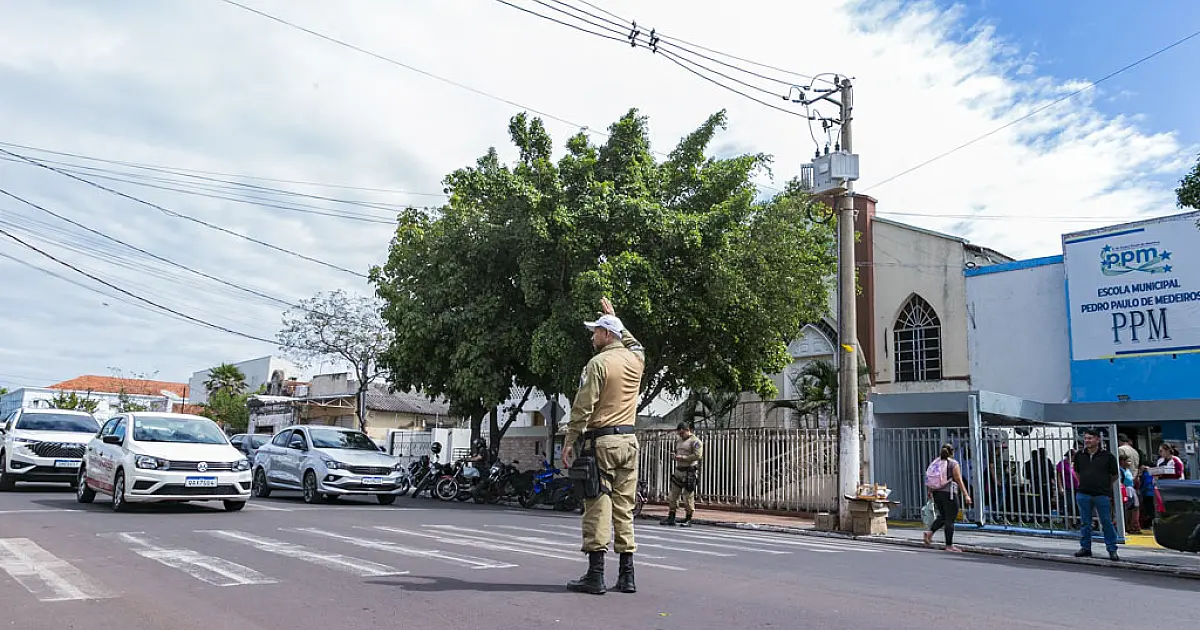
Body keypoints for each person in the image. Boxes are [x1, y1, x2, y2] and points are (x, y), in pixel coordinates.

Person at [562, 297, 645, 596]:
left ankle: (595, 575)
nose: (592, 335)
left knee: (597, 505)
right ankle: (627, 575)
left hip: (602, 442)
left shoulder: (597, 364)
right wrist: (617, 317)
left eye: (596, 331)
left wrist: (570, 439)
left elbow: (584, 407)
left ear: (607, 335)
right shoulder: (636, 360)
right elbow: (636, 345)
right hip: (629, 442)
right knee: (625, 508)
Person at [1072, 428, 1120, 561]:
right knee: (1085, 522)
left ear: (1097, 440)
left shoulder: (1107, 456)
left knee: (1106, 522)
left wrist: (1105, 485)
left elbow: (1114, 475)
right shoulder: (1080, 455)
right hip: (1084, 493)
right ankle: (1085, 548)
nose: (1087, 441)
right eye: (1086, 438)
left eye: (1090, 438)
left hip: (1101, 494)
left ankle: (1111, 548)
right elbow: (1076, 472)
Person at [923, 443, 972, 552]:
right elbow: (959, 480)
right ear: (952, 452)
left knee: (943, 516)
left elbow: (931, 477)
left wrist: (930, 491)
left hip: (936, 493)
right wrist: (966, 495)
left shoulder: (936, 462)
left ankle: (930, 532)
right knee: (950, 519)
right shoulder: (953, 464)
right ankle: (949, 545)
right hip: (949, 494)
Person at [660, 421, 704, 527]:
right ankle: (671, 516)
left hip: (689, 471)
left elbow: (698, 455)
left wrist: (684, 458)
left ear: (688, 430)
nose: (680, 435)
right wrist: (675, 456)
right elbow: (678, 452)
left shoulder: (695, 441)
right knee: (673, 495)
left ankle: (688, 518)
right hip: (678, 470)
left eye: (682, 433)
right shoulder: (679, 441)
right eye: (679, 433)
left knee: (688, 496)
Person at [1119, 455, 1140, 534]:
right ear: (1122, 462)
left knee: (1133, 508)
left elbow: (1132, 482)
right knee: (1126, 509)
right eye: (1128, 461)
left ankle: (1133, 526)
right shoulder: (1120, 470)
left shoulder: (1128, 471)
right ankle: (1127, 527)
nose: (1129, 463)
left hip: (1131, 490)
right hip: (1125, 491)